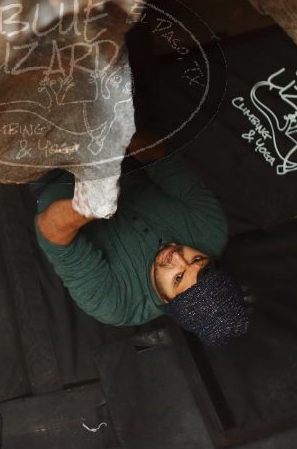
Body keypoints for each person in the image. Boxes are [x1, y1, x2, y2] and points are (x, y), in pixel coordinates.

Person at [34, 132, 249, 347]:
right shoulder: (211, 229)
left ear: (168, 302)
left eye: (178, 277)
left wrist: (91, 205)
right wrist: (122, 133)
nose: (177, 257)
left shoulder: (116, 304)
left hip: (51, 173)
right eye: (197, 259)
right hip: (113, 150)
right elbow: (164, 160)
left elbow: (50, 231)